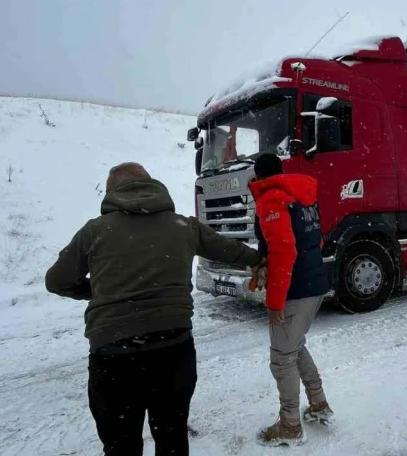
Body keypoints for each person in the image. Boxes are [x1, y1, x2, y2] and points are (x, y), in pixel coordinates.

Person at [45, 162, 263, 456]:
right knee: (172, 436)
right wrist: (259, 260)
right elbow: (229, 249)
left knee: (121, 445)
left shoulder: (94, 231)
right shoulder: (182, 226)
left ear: (113, 192)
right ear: (150, 185)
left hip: (113, 358)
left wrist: (94, 290)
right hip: (173, 352)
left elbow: (56, 280)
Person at [249, 154, 334, 447]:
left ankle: (290, 426)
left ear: (258, 177)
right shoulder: (303, 197)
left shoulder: (272, 200)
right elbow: (315, 240)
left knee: (281, 359)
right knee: (294, 348)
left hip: (295, 290)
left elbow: (284, 250)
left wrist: (274, 302)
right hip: (315, 283)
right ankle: (319, 404)